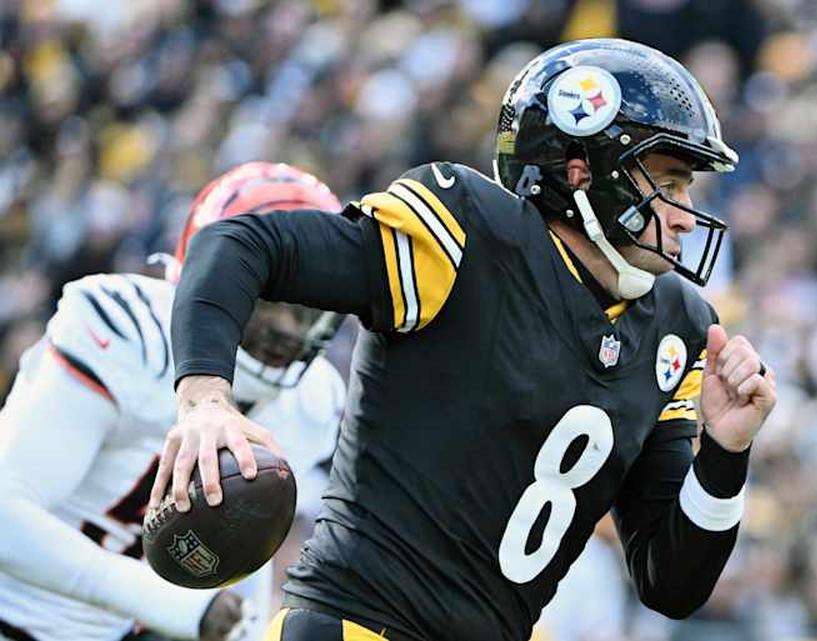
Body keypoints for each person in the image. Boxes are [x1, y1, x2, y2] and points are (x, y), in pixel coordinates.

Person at [150, 39, 776, 641]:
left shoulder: (677, 326)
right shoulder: (471, 234)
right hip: (359, 624)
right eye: (669, 184)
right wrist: (205, 399)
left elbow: (671, 583)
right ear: (585, 173)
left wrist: (725, 451)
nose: (685, 215)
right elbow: (237, 243)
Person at [0, 163, 346, 641]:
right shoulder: (128, 333)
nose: (289, 328)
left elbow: (245, 551)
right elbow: (5, 516)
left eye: (307, 310)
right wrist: (177, 607)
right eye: (271, 299)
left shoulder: (313, 401)